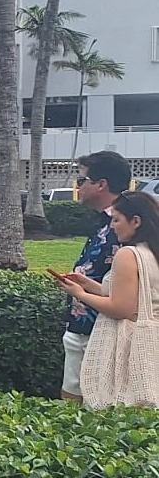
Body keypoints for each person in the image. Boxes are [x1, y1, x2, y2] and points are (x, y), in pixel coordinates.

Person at [56, 191, 159, 408]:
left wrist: (80, 295)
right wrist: (89, 285)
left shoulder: (128, 254)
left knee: (115, 404)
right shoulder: (151, 252)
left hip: (130, 343)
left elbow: (121, 308)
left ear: (136, 221)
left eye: (116, 220)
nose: (112, 226)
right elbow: (137, 294)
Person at [59, 150, 130, 402]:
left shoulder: (128, 223)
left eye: (82, 180)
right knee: (72, 399)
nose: (77, 186)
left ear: (101, 184)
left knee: (100, 405)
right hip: (81, 324)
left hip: (107, 329)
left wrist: (82, 290)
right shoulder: (103, 220)